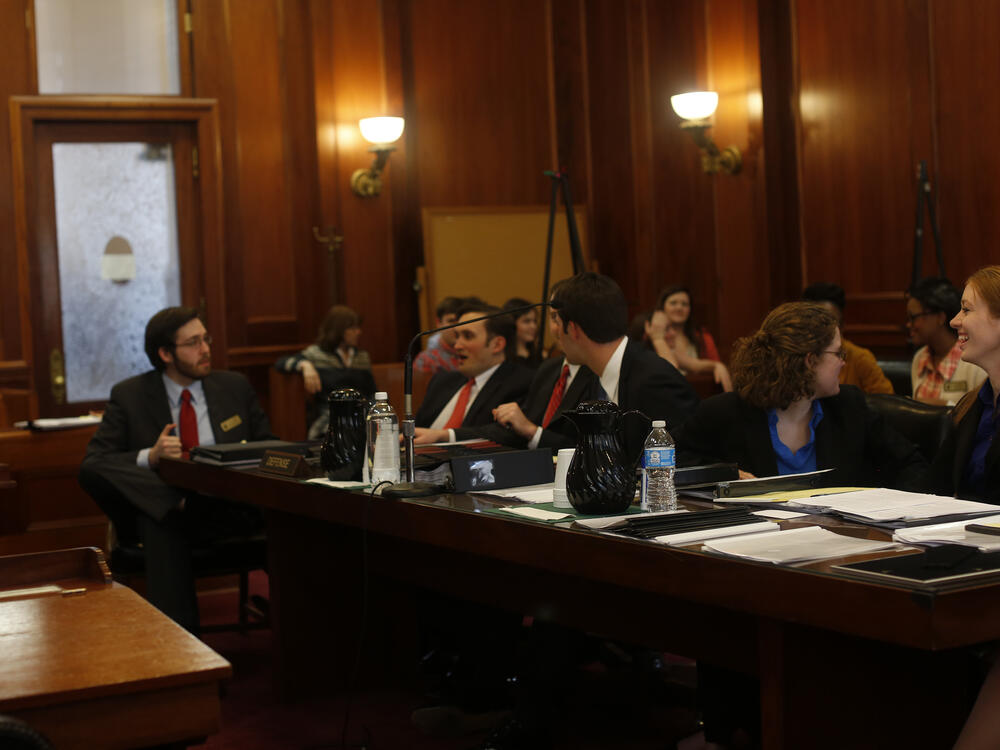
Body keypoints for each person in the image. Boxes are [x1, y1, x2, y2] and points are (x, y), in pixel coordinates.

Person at [79, 307, 273, 632]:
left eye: (206, 339)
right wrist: (151, 457)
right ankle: (186, 654)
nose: (206, 349)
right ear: (166, 353)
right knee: (151, 512)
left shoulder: (234, 387)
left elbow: (268, 446)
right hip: (174, 513)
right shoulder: (130, 396)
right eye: (193, 342)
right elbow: (96, 462)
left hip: (231, 506)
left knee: (159, 518)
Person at [676, 301, 926, 487]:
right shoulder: (726, 412)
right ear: (810, 361)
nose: (843, 363)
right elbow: (666, 460)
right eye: (837, 353)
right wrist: (721, 474)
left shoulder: (849, 406)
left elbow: (911, 465)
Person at [546, 272, 699, 459]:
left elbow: (692, 459)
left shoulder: (653, 380)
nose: (557, 335)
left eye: (558, 323)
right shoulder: (596, 375)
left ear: (573, 330)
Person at [454, 281, 602, 450]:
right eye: (553, 317)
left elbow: (591, 448)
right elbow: (517, 428)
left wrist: (531, 431)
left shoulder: (596, 370)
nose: (556, 328)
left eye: (561, 318)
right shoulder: (548, 369)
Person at [413, 303, 532, 442]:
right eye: (457, 336)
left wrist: (445, 436)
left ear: (497, 344)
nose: (457, 345)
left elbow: (506, 435)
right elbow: (417, 429)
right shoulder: (441, 381)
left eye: (468, 336)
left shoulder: (521, 383)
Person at [275, 305, 373, 438]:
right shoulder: (317, 354)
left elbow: (372, 392)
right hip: (329, 422)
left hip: (361, 419)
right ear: (339, 330)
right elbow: (281, 363)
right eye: (353, 328)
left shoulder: (362, 357)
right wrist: (305, 365)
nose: (358, 332)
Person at [802, 281, 894, 394]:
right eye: (817, 325)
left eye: (831, 325)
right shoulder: (799, 358)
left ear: (841, 327)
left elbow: (886, 403)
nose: (824, 332)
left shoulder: (860, 358)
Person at [907, 276, 986, 405]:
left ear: (940, 317)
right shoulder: (920, 358)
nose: (909, 324)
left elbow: (980, 418)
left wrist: (945, 407)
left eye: (913, 317)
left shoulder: (974, 363)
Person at [649, 285, 732, 392]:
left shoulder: (702, 337)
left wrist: (718, 366)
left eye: (684, 304)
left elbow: (701, 366)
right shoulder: (654, 337)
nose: (679, 308)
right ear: (661, 309)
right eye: (673, 303)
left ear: (690, 309)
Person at [413, 296, 467, 374]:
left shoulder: (474, 354)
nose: (457, 327)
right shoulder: (426, 360)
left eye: (460, 321)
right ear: (439, 323)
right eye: (451, 321)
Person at [502, 297, 543, 367]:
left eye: (535, 321)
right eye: (527, 321)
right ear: (511, 323)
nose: (533, 326)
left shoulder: (540, 357)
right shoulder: (501, 358)